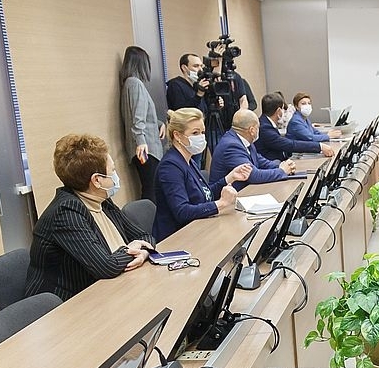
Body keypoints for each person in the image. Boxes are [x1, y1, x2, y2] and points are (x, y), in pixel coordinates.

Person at [24, 134, 155, 301]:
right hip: (64, 304)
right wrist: (133, 249)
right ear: (97, 180)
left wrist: (143, 253)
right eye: (113, 170)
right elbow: (106, 266)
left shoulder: (102, 201)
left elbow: (144, 237)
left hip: (107, 288)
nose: (116, 176)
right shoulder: (66, 212)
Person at [153, 107, 253, 240]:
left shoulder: (189, 160)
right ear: (177, 135)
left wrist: (230, 178)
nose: (201, 137)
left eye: (203, 132)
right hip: (177, 238)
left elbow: (204, 194)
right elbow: (182, 212)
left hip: (197, 229)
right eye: (195, 133)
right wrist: (221, 203)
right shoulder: (170, 167)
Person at [120, 45, 165, 203]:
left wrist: (159, 123)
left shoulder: (129, 84)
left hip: (143, 146)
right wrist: (141, 141)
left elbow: (140, 114)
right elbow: (137, 118)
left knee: (150, 187)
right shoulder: (135, 84)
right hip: (146, 149)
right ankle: (151, 219)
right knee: (151, 189)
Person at [210, 109, 295, 190]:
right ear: (252, 130)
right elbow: (253, 176)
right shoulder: (231, 146)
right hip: (229, 196)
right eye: (258, 127)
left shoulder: (243, 140)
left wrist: (282, 165)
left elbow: (260, 161)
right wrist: (282, 171)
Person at [255, 93, 334, 161]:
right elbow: (291, 144)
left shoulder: (266, 123)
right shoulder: (265, 128)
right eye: (283, 109)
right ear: (278, 111)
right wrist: (320, 146)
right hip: (273, 165)